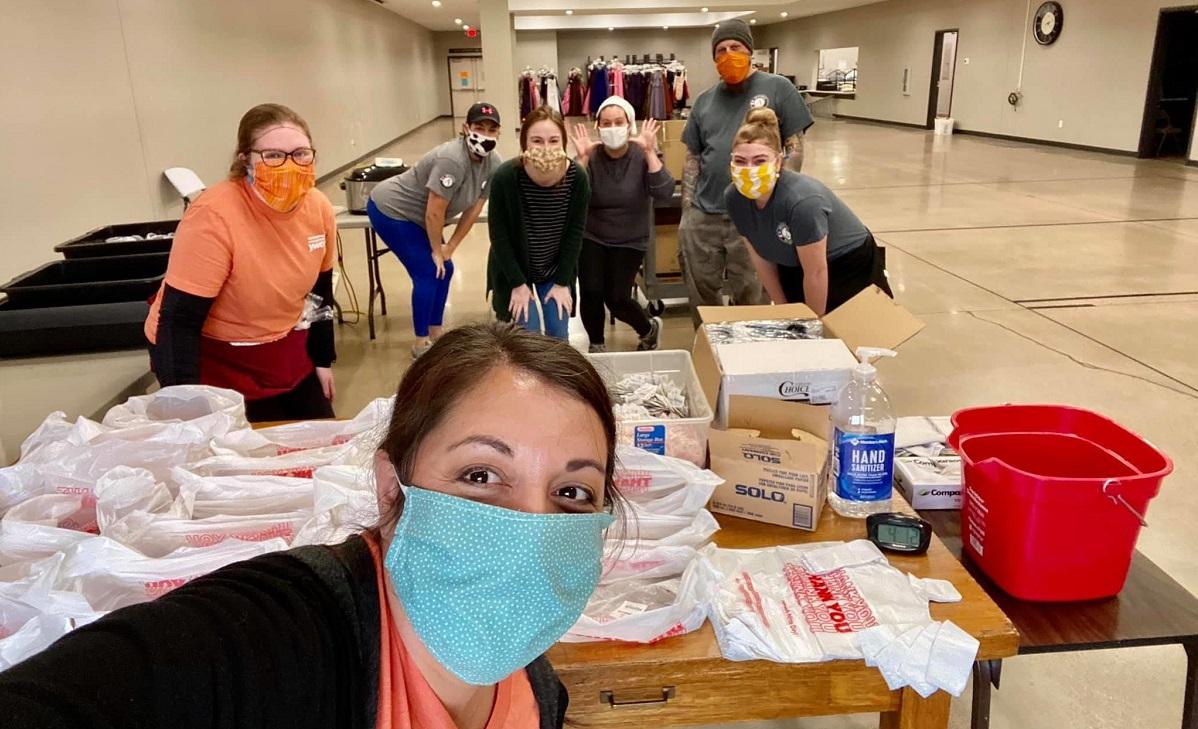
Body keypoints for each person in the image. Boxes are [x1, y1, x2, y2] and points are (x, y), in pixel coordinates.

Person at [0, 323, 626, 729]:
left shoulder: (537, 694)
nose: (531, 526)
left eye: (573, 491)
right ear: (391, 487)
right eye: (481, 475)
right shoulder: (282, 636)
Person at [144, 103, 337, 422]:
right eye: (273, 155)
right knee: (244, 456)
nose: (290, 165)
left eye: (301, 153)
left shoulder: (318, 208)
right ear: (245, 159)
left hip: (281, 348)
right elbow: (179, 322)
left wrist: (322, 360)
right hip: (215, 356)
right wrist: (186, 407)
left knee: (318, 439)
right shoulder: (214, 216)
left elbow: (320, 292)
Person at [679, 18, 815, 322]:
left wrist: (776, 204)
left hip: (755, 214)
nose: (728, 55)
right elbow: (692, 156)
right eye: (721, 50)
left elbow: (795, 146)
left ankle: (747, 351)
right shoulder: (704, 101)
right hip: (705, 213)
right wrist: (687, 209)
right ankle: (709, 346)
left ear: (749, 50)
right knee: (701, 293)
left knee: (752, 291)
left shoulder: (778, 88)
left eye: (735, 47)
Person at [368, 102, 502, 359]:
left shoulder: (493, 162)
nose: (484, 134)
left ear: (498, 132)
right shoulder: (451, 159)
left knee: (446, 268)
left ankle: (436, 333)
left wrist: (450, 247)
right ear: (466, 128)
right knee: (430, 270)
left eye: (491, 129)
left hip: (423, 218)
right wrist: (436, 250)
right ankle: (421, 343)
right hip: (392, 210)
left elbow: (474, 208)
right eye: (478, 127)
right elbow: (434, 212)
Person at [726, 109, 892, 314]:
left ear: (778, 162)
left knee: (843, 333)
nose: (749, 169)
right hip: (793, 262)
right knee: (794, 321)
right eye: (740, 161)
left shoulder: (801, 201)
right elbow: (761, 258)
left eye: (760, 161)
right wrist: (783, 309)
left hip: (846, 264)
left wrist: (813, 324)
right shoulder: (734, 198)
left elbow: (816, 272)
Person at [571, 97, 674, 353]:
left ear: (630, 125)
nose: (612, 128)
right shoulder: (591, 156)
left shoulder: (642, 154)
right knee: (592, 290)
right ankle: (596, 344)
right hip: (592, 235)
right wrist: (582, 159)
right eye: (606, 123)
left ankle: (648, 329)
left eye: (619, 122)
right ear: (598, 127)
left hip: (630, 239)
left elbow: (664, 191)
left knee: (616, 297)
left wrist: (650, 152)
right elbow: (570, 195)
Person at [487, 106, 590, 341]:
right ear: (524, 143)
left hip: (554, 268)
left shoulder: (577, 178)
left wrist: (563, 282)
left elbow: (575, 233)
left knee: (557, 334)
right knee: (526, 337)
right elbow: (499, 236)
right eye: (537, 140)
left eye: (554, 140)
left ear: (564, 142)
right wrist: (517, 284)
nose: (546, 148)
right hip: (514, 268)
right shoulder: (506, 176)